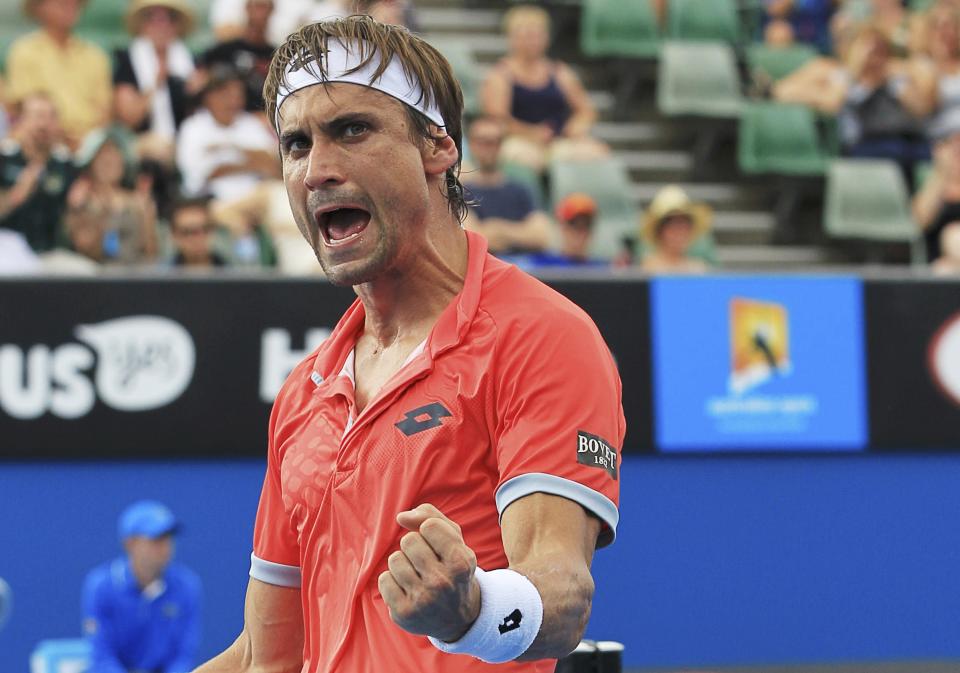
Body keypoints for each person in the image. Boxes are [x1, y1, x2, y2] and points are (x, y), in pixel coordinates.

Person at [192, 15, 623, 673]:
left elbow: (562, 595)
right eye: (297, 144)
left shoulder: (541, 336)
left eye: (352, 130)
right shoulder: (303, 390)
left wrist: (471, 612)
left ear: (438, 146)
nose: (317, 171)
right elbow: (264, 656)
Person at [480, 5, 607, 172]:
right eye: (526, 36)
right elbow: (497, 119)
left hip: (558, 140)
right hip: (519, 140)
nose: (532, 41)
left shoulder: (560, 71)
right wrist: (532, 133)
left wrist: (577, 125)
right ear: (512, 38)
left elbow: (586, 110)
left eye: (536, 35)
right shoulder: (501, 75)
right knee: (524, 157)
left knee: (596, 152)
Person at [82, 501, 201, 673]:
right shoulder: (100, 586)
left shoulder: (187, 586)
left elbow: (184, 655)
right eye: (156, 539)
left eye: (169, 538)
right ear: (130, 544)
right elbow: (102, 655)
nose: (165, 547)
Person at [5, 0, 112, 148]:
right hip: (42, 139)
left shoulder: (95, 56)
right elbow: (23, 110)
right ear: (39, 8)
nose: (70, 4)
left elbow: (104, 113)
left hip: (89, 144)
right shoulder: (24, 52)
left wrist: (84, 140)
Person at [176, 65, 279, 203]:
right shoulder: (193, 127)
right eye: (227, 95)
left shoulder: (250, 123)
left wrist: (229, 148)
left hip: (259, 196)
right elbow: (202, 175)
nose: (234, 101)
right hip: (212, 201)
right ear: (209, 96)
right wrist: (252, 163)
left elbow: (272, 163)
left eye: (238, 95)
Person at [113, 0, 197, 165]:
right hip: (142, 142)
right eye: (153, 18)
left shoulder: (189, 63)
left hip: (186, 141)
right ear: (143, 25)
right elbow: (128, 119)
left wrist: (198, 92)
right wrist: (156, 83)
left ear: (177, 26)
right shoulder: (128, 61)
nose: (162, 24)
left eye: (169, 18)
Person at [67, 128, 158, 265]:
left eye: (115, 158)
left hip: (135, 273)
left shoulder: (138, 201)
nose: (110, 163)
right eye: (103, 159)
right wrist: (98, 212)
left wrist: (146, 216)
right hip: (96, 274)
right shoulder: (81, 200)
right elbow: (83, 247)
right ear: (91, 164)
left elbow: (151, 251)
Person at [462, 116, 550, 255]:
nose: (488, 148)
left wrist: (498, 228)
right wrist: (520, 233)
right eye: (482, 142)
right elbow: (473, 239)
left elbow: (541, 236)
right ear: (471, 145)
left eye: (494, 142)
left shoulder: (520, 190)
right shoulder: (462, 192)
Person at [0, 93, 75, 253]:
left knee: (83, 273)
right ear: (21, 121)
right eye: (37, 116)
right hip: (7, 249)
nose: (44, 124)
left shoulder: (67, 164)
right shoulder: (4, 158)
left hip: (51, 253)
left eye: (51, 117)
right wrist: (15, 195)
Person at [200, 0, 276, 114]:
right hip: (229, 119)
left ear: (272, 11)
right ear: (247, 9)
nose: (260, 13)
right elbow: (200, 79)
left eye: (264, 7)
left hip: (265, 121)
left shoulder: (276, 55)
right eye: (257, 6)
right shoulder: (224, 50)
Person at [912, 124, 960, 260]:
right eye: (952, 145)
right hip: (937, 259)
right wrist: (942, 173)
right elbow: (919, 222)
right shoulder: (934, 184)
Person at [640, 185, 711, 274]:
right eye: (674, 226)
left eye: (684, 226)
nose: (680, 233)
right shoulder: (645, 270)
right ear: (660, 231)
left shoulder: (698, 270)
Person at [168, 196, 229, 268]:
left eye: (204, 229)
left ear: (213, 231)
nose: (197, 238)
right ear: (174, 235)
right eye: (187, 232)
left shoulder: (235, 273)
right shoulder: (159, 275)